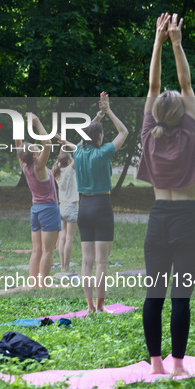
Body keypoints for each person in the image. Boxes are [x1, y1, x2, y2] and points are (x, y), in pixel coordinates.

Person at [136, 13, 195, 376]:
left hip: (157, 219)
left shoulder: (149, 134)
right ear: (183, 115)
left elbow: (154, 88)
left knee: (155, 296)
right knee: (181, 296)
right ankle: (178, 365)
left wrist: (158, 42)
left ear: (156, 115)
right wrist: (177, 43)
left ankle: (155, 365)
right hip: (186, 221)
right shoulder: (190, 134)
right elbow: (186, 84)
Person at [73, 92, 129, 312]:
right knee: (101, 262)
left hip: (83, 208)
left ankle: (89, 308)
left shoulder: (78, 151)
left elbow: (84, 136)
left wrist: (98, 115)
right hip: (101, 207)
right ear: (99, 138)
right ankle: (100, 306)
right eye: (102, 134)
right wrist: (108, 111)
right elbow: (124, 131)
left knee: (86, 261)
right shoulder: (103, 152)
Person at [14, 113, 61, 288]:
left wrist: (21, 126)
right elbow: (47, 143)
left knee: (37, 250)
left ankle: (34, 283)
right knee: (48, 250)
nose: (38, 148)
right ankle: (43, 284)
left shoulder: (24, 166)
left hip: (36, 210)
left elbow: (19, 146)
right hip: (49, 209)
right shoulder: (38, 167)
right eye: (35, 148)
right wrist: (36, 122)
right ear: (34, 156)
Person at [52, 139, 78, 272]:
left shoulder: (57, 171)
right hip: (72, 206)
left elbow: (59, 158)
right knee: (69, 238)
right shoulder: (69, 170)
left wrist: (62, 146)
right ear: (68, 161)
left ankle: (62, 265)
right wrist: (67, 142)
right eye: (70, 158)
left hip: (61, 207)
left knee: (62, 237)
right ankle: (66, 266)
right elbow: (79, 151)